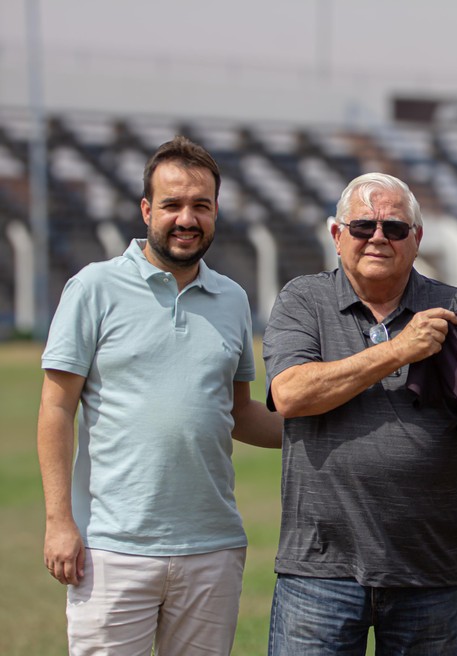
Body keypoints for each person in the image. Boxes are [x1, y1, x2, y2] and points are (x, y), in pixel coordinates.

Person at [37, 135, 283, 655]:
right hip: (110, 550)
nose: (186, 218)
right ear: (147, 209)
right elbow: (56, 408)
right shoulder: (93, 288)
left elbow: (238, 412)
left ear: (216, 211)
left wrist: (326, 425)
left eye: (201, 205)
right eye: (172, 204)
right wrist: (60, 522)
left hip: (212, 549)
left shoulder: (233, 299)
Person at [263, 172, 457, 655]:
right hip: (318, 570)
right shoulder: (304, 300)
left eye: (395, 228)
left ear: (416, 240)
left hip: (428, 570)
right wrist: (401, 350)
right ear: (337, 236)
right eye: (362, 227)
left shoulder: (455, 307)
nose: (378, 237)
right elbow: (291, 393)